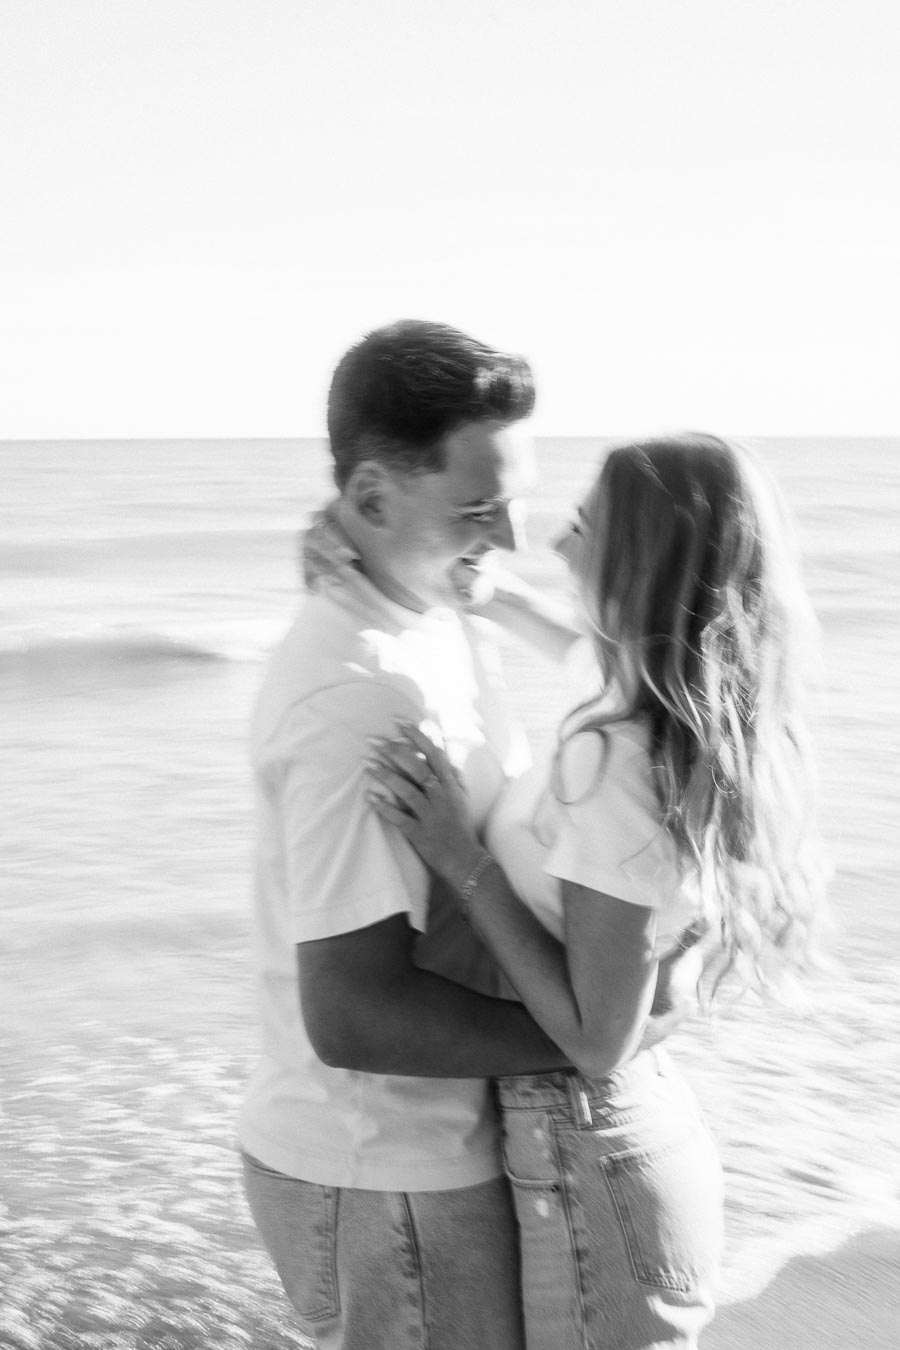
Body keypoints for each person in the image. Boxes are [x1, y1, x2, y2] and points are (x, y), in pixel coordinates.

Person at [367, 432, 828, 1349]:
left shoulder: (612, 755)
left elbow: (594, 1040)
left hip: (590, 1157)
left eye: (583, 526)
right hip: (621, 1150)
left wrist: (461, 857)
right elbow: (578, 641)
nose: (560, 545)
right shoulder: (660, 705)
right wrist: (478, 591)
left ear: (637, 558)